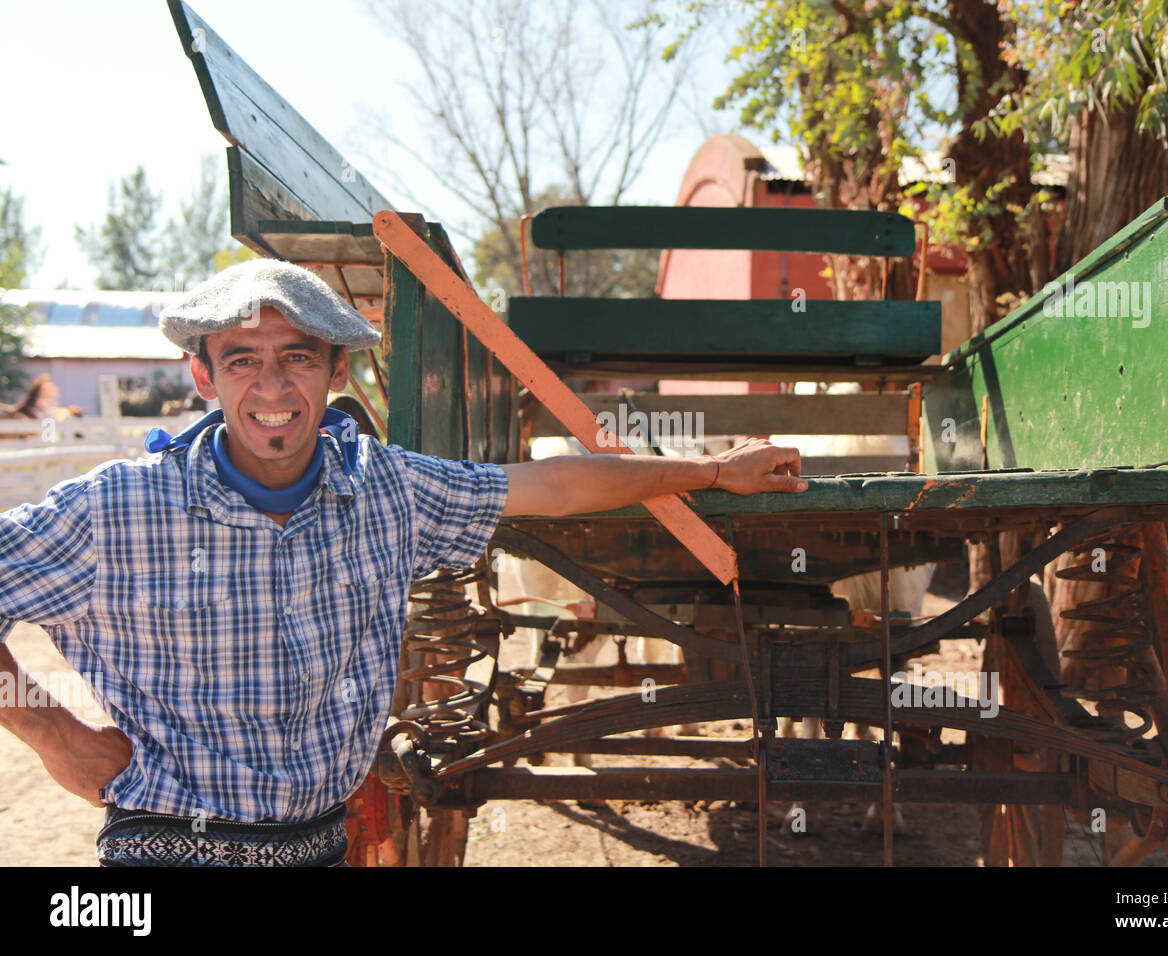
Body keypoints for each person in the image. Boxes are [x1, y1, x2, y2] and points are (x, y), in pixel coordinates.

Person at [0, 258, 805, 867]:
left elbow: (555, 484)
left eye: (298, 356)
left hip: (317, 845)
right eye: (242, 359)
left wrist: (709, 471)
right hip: (170, 847)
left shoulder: (389, 491)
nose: (272, 383)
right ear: (203, 375)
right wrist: (53, 734)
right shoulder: (117, 510)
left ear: (335, 370)